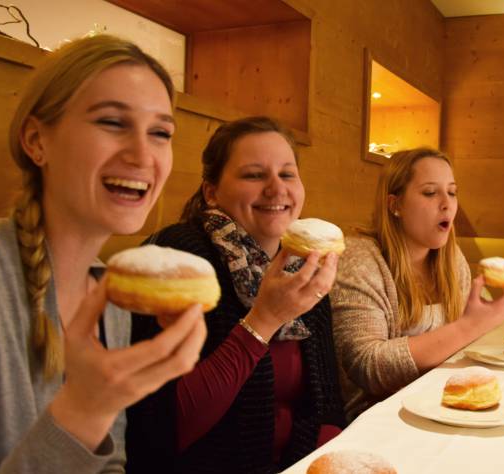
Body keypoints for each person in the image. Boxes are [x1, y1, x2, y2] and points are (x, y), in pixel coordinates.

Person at [0, 35, 206, 473]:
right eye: (113, 122)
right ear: (37, 141)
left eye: (160, 133)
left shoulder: (110, 295)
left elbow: (110, 462)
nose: (142, 154)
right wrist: (86, 410)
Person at [126, 116, 346, 473]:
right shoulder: (180, 260)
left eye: (287, 174)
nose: (277, 189)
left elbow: (326, 407)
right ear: (211, 192)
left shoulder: (303, 264)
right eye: (254, 175)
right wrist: (265, 318)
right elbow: (162, 429)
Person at [331, 147, 504, 420]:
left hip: (440, 405)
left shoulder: (452, 260)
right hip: (376, 418)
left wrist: (488, 319)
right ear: (395, 205)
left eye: (452, 192)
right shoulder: (359, 257)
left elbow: (459, 350)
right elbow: (367, 366)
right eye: (430, 193)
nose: (447, 204)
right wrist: (471, 325)